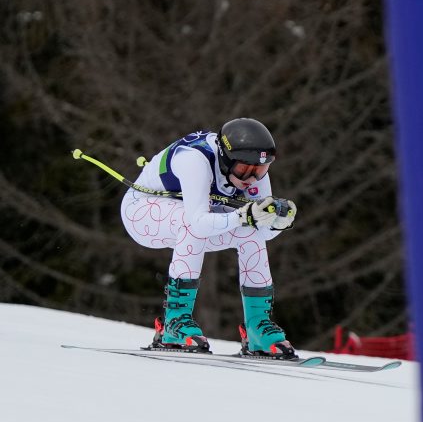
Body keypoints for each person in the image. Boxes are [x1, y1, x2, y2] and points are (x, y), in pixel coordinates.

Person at [119, 118, 298, 359]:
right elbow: (197, 222)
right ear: (226, 158)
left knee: (250, 229)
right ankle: (174, 323)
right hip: (142, 215)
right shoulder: (195, 160)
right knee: (193, 224)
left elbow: (260, 232)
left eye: (260, 170)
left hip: (192, 219)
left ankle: (257, 329)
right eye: (244, 169)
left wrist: (277, 223)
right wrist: (243, 216)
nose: (252, 178)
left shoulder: (254, 168)